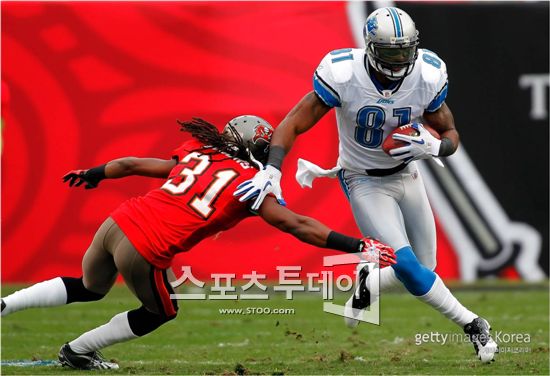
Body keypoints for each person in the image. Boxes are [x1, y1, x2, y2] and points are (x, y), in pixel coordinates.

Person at [1, 115, 397, 370]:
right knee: (161, 311)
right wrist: (357, 245)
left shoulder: (198, 152)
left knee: (89, 288)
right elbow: (296, 225)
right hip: (145, 246)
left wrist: (94, 173)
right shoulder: (250, 183)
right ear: (255, 149)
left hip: (116, 222)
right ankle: (78, 351)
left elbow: (131, 165)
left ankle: (5, 305)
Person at [234, 7, 498, 363]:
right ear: (371, 49)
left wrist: (437, 146)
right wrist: (273, 168)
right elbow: (294, 122)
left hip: (408, 175)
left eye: (405, 51)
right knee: (409, 269)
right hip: (364, 180)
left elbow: (450, 132)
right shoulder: (343, 73)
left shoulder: (427, 74)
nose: (400, 59)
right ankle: (473, 325)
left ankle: (369, 283)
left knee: (425, 268)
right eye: (391, 52)